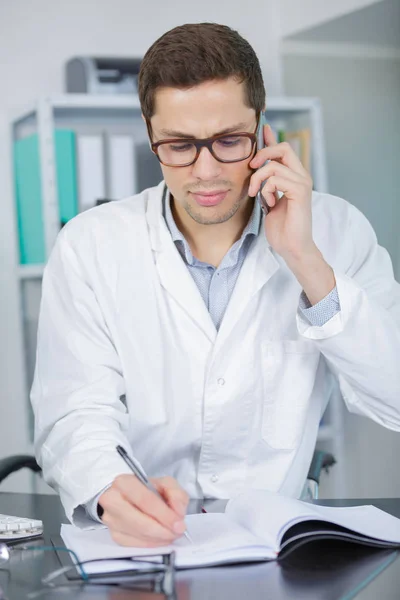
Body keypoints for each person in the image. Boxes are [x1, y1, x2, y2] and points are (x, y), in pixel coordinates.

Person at [31, 22, 400, 548]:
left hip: (279, 547)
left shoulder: (335, 230)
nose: (206, 171)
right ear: (150, 135)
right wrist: (109, 489)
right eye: (179, 145)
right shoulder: (90, 244)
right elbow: (74, 409)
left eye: (230, 140)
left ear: (263, 130)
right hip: (142, 549)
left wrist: (304, 258)